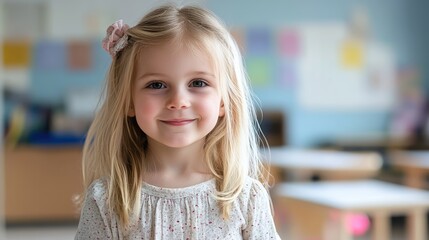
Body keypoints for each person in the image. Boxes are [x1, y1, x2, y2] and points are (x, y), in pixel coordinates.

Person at [75, 4, 280, 240]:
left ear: (224, 100)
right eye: (156, 85)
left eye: (198, 83)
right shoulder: (105, 199)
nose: (178, 101)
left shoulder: (247, 198)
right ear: (128, 101)